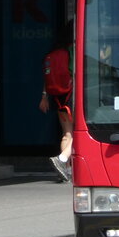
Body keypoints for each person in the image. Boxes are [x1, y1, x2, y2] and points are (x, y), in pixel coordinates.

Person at [40, 21, 74, 182]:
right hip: (71, 96)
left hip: (57, 97)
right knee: (81, 133)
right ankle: (62, 159)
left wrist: (44, 96)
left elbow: (47, 77)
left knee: (67, 134)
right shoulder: (73, 51)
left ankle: (66, 170)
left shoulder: (54, 52)